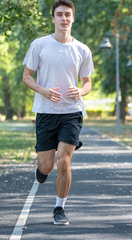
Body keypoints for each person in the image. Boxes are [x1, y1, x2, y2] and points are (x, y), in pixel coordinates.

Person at [22, 0, 94, 225]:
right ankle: (41, 170)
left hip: (71, 112)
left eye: (68, 15)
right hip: (45, 112)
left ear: (73, 18)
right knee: (47, 166)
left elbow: (88, 83)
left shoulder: (82, 49)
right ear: (52, 18)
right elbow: (26, 76)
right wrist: (43, 91)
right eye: (60, 15)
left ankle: (59, 208)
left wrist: (80, 91)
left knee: (64, 161)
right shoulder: (39, 45)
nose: (64, 19)